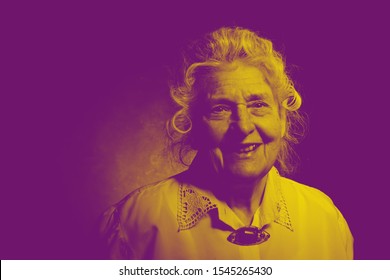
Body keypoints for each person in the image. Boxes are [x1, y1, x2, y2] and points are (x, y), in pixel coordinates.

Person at [98, 27, 354, 259]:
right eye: (220, 108)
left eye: (258, 105)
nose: (242, 126)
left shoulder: (325, 220)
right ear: (194, 126)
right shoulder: (132, 226)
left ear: (283, 119)